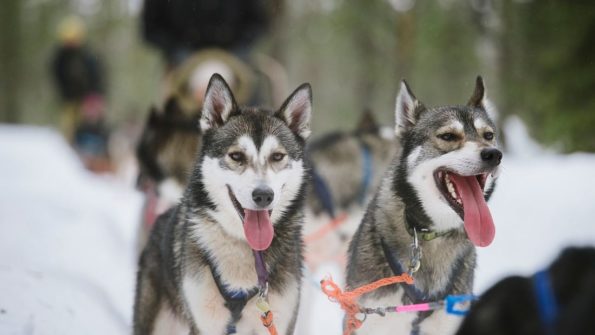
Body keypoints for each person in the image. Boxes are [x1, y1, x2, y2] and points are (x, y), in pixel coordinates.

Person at [50, 16, 110, 172]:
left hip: (88, 100)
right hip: (70, 101)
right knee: (69, 129)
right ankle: (69, 161)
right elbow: (58, 78)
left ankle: (95, 161)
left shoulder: (87, 55)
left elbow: (97, 76)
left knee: (93, 129)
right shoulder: (60, 58)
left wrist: (95, 98)